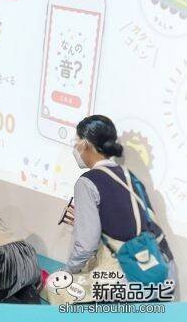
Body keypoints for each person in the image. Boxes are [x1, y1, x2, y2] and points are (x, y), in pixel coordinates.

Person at [51, 115, 177, 304]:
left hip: (130, 278)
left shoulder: (87, 181)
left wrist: (67, 271)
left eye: (77, 141)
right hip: (163, 272)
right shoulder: (129, 176)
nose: (75, 147)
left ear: (86, 144)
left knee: (56, 287)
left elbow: (86, 246)